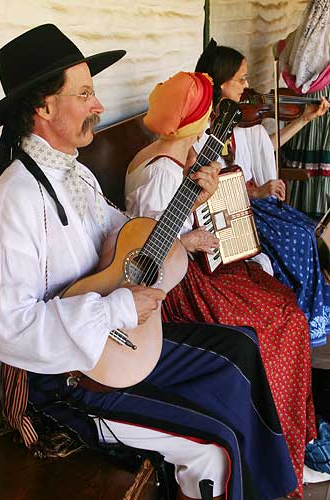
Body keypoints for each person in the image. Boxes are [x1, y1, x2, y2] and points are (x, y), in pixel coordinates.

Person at [0, 25, 297, 500]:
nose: (98, 105)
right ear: (43, 107)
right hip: (64, 380)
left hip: (111, 341)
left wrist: (187, 200)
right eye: (85, 93)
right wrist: (116, 309)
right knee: (215, 442)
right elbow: (8, 328)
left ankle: (274, 487)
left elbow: (127, 233)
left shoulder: (74, 173)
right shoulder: (13, 198)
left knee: (241, 347)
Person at [125, 71, 315, 498]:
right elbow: (148, 251)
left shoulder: (173, 156)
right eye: (206, 112)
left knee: (279, 296)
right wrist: (191, 236)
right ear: (192, 119)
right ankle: (279, 447)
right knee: (282, 320)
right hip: (174, 289)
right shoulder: (159, 172)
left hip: (190, 269)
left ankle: (288, 441)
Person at [195, 39, 330, 349]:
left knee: (307, 230)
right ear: (219, 83)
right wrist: (256, 193)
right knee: (297, 237)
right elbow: (212, 189)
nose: (247, 86)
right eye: (241, 79)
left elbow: (263, 148)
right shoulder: (203, 129)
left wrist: (304, 118)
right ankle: (300, 318)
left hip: (252, 204)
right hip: (232, 214)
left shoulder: (242, 123)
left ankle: (309, 316)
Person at [276, 0, 330, 216]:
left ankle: (300, 213)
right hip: (318, 116)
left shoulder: (295, 41)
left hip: (301, 118)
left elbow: (285, 57)